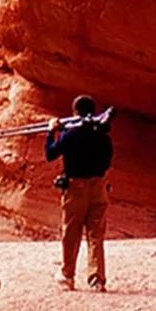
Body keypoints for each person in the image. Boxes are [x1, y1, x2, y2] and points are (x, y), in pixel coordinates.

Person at [46, 94, 113, 292]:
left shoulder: (70, 134)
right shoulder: (103, 135)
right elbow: (108, 160)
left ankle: (68, 275)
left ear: (75, 112)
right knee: (95, 234)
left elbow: (51, 154)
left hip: (76, 188)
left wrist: (52, 132)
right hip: (99, 186)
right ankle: (97, 278)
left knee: (71, 233)